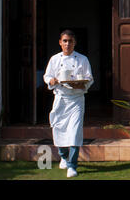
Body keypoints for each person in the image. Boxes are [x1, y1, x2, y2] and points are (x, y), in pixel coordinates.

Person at [43, 30, 93, 178]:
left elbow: (89, 78)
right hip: (60, 99)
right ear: (60, 42)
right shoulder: (54, 59)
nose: (67, 44)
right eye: (65, 41)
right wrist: (50, 81)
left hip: (76, 100)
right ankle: (63, 156)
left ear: (74, 43)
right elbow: (47, 76)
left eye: (70, 41)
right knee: (58, 128)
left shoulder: (83, 59)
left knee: (75, 132)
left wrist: (82, 85)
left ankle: (72, 166)